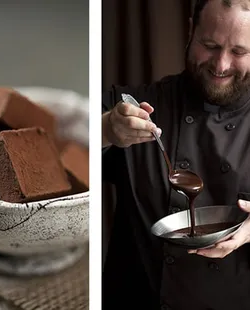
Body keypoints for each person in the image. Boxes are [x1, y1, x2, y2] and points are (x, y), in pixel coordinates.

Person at [102, 0, 250, 309]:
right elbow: (64, 147)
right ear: (190, 30)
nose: (221, 64)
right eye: (209, 45)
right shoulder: (136, 107)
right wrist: (105, 131)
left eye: (239, 52)